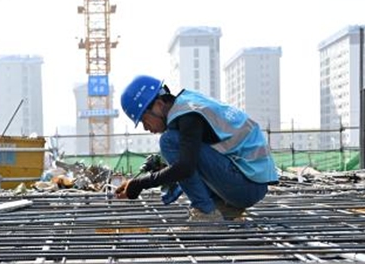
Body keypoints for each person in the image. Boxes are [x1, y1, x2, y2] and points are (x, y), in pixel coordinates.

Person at [114, 75, 278, 221]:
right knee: (175, 145)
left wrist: (140, 184)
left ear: (158, 105)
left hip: (247, 185)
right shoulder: (190, 105)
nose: (146, 128)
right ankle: (225, 207)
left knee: (168, 141)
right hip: (251, 182)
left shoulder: (188, 116)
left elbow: (185, 167)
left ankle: (205, 212)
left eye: (144, 120)